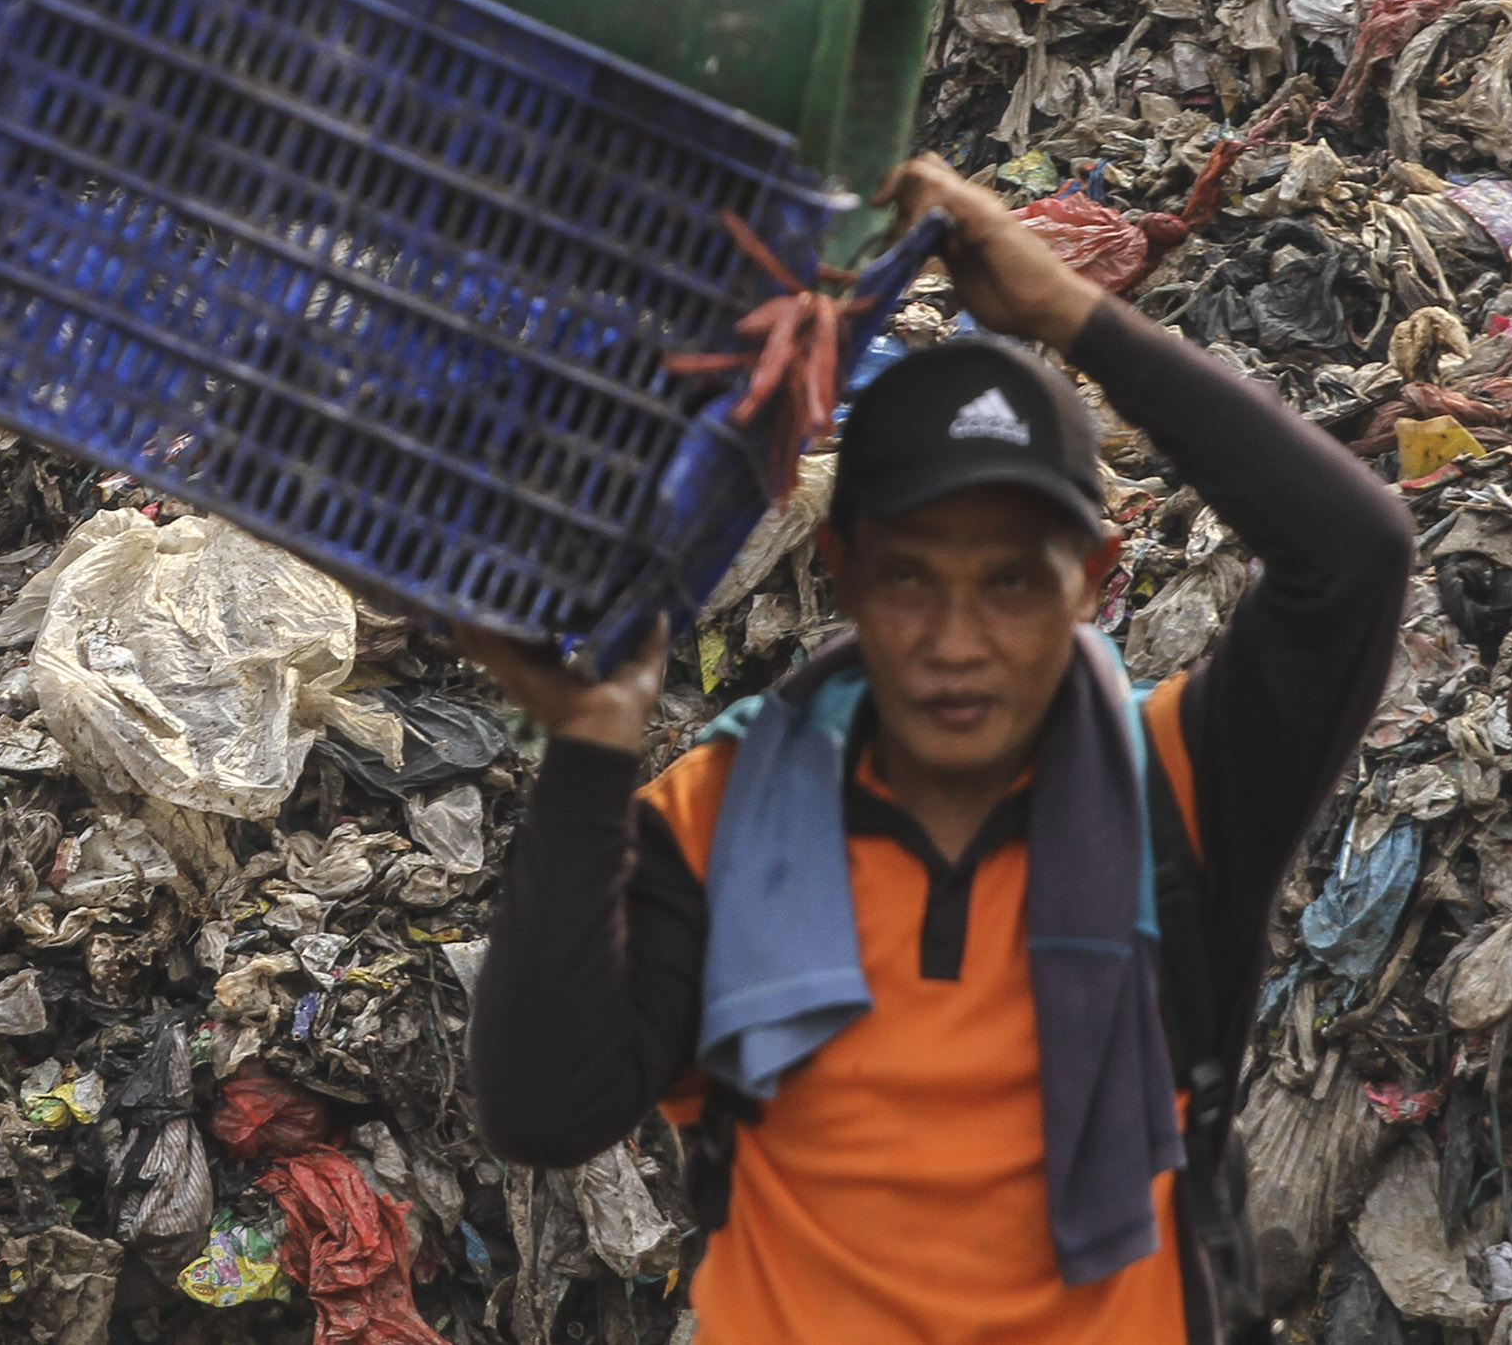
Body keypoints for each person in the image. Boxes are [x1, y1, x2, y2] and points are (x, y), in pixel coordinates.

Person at [459, 153, 1413, 1345]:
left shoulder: (1177, 791)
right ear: (843, 572)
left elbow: (1354, 558)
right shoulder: (712, 821)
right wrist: (590, 749)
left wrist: (1067, 311)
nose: (957, 641)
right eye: (911, 578)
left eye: (1012, 581)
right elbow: (546, 1112)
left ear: (1094, 582)